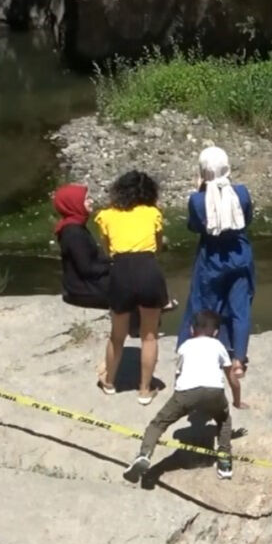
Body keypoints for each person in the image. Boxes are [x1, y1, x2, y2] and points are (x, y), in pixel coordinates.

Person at [178, 145, 254, 410]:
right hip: (239, 256)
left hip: (211, 261)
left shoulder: (197, 201)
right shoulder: (241, 193)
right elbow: (248, 219)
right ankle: (238, 359)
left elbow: (194, 226)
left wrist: (200, 189)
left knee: (205, 307)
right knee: (240, 309)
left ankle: (201, 353)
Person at [123, 309, 235, 483]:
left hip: (186, 392)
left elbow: (178, 375)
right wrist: (237, 398)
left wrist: (179, 396)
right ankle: (225, 463)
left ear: (191, 330)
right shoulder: (219, 346)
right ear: (216, 332)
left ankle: (144, 455)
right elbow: (231, 374)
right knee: (224, 420)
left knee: (158, 424)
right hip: (214, 392)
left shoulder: (185, 346)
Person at [94, 169, 168, 405]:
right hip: (148, 268)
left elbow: (106, 249)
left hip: (121, 270)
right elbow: (157, 246)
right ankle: (144, 390)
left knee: (117, 335)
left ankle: (109, 382)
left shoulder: (106, 215)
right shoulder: (153, 213)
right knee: (149, 336)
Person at [53, 183, 112, 311]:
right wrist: (114, 266)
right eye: (86, 199)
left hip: (84, 287)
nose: (91, 201)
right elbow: (87, 268)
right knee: (132, 287)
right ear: (74, 203)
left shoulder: (76, 226)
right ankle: (138, 329)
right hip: (84, 291)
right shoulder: (74, 233)